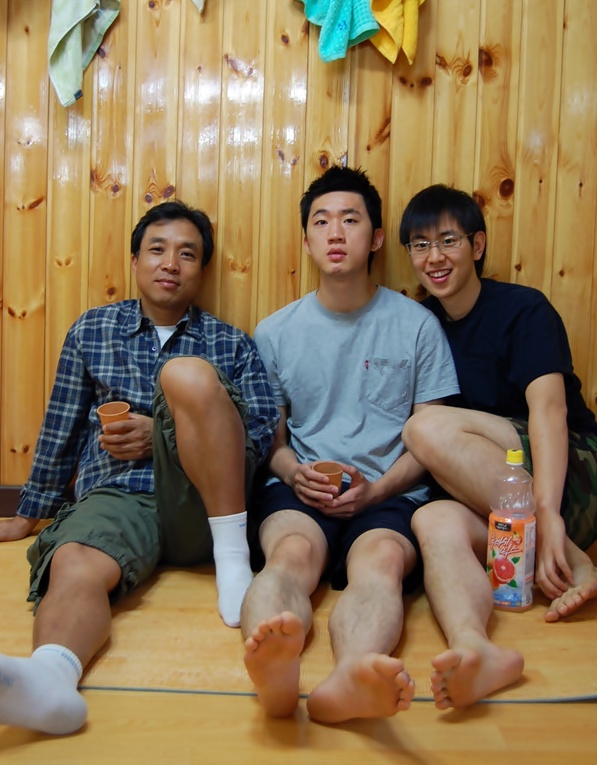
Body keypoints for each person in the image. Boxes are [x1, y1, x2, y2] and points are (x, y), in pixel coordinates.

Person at [0, 200, 279, 735]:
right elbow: (61, 427)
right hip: (119, 493)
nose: (170, 263)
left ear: (202, 271)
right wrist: (28, 513)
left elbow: (263, 430)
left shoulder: (231, 342)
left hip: (206, 503)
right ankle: (50, 679)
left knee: (187, 376)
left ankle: (232, 557)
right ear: (135, 262)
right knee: (75, 561)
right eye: (157, 250)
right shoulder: (92, 330)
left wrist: (164, 436)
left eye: (187, 254)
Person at [240, 166, 460, 724]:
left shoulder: (417, 326)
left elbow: (431, 441)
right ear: (307, 241)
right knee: (290, 556)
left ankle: (353, 674)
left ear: (377, 237)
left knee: (380, 563)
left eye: (350, 220)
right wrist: (294, 474)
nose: (335, 233)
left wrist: (376, 491)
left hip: (390, 492)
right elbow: (273, 441)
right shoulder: (274, 332)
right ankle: (275, 669)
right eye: (321, 222)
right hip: (301, 490)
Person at [399, 184, 597, 710]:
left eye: (448, 240)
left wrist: (548, 514)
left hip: (569, 475)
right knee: (432, 520)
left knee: (425, 428)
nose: (434, 257)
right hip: (504, 507)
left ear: (478, 245)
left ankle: (574, 558)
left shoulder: (523, 309)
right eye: (420, 245)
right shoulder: (421, 325)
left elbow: (549, 412)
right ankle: (476, 648)